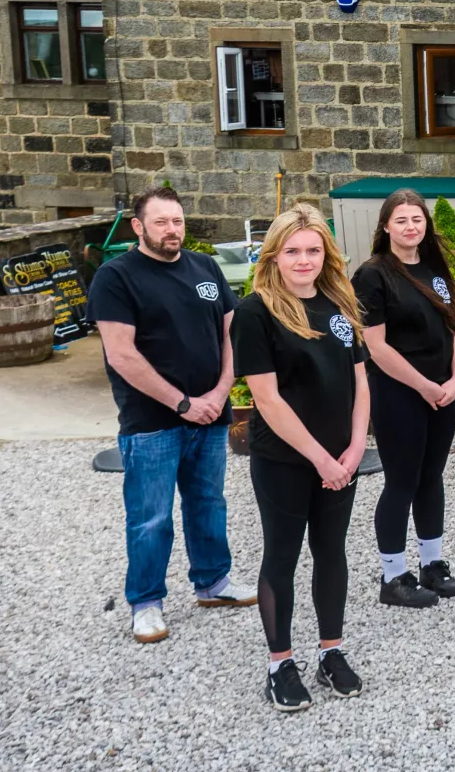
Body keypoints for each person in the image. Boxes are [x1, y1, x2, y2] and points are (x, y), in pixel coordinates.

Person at [88, 187, 254, 645]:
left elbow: (230, 333)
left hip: (211, 413)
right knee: (151, 517)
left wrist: (220, 392)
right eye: (160, 222)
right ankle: (146, 603)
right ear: (138, 227)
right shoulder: (115, 277)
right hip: (152, 423)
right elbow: (122, 355)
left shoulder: (205, 267)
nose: (171, 230)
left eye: (177, 221)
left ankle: (213, 582)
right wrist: (183, 403)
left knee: (209, 503)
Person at [230, 204, 371, 713]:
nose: (304, 260)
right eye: (292, 251)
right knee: (283, 555)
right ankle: (280, 664)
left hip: (342, 459)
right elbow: (267, 400)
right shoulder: (255, 312)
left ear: (326, 255)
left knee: (331, 552)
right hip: (285, 460)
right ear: (273, 255)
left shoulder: (340, 305)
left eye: (313, 250)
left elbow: (360, 382)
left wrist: (355, 447)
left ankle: (331, 651)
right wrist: (321, 459)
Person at [352, 190, 455, 610]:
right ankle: (393, 576)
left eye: (417, 219)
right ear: (386, 226)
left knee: (431, 477)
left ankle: (431, 564)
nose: (410, 227)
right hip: (399, 393)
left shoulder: (436, 268)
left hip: (442, 391)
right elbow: (376, 346)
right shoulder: (373, 275)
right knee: (402, 481)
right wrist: (424, 386)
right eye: (401, 220)